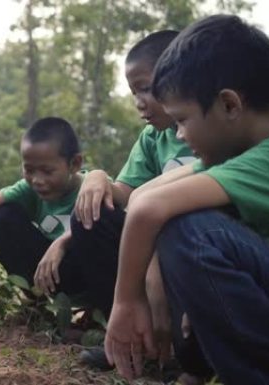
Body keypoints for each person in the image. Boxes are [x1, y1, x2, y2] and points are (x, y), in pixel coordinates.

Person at [104, 14, 269, 385]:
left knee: (190, 232)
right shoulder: (255, 149)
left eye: (182, 120)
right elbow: (147, 192)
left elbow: (148, 209)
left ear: (229, 105)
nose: (178, 136)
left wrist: (127, 303)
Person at [71, 31, 209, 383]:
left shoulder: (216, 132)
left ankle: (187, 356)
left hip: (196, 255)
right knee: (91, 214)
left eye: (146, 88)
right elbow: (129, 194)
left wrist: (156, 271)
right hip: (152, 247)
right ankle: (126, 334)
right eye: (134, 93)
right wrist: (97, 177)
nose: (139, 102)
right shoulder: (152, 137)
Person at [0, 117, 93, 304]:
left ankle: (97, 309)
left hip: (88, 273)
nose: (37, 180)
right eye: (29, 170)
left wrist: (62, 244)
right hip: (47, 272)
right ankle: (37, 304)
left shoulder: (93, 187)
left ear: (74, 164)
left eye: (47, 171)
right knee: (1, 216)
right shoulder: (29, 189)